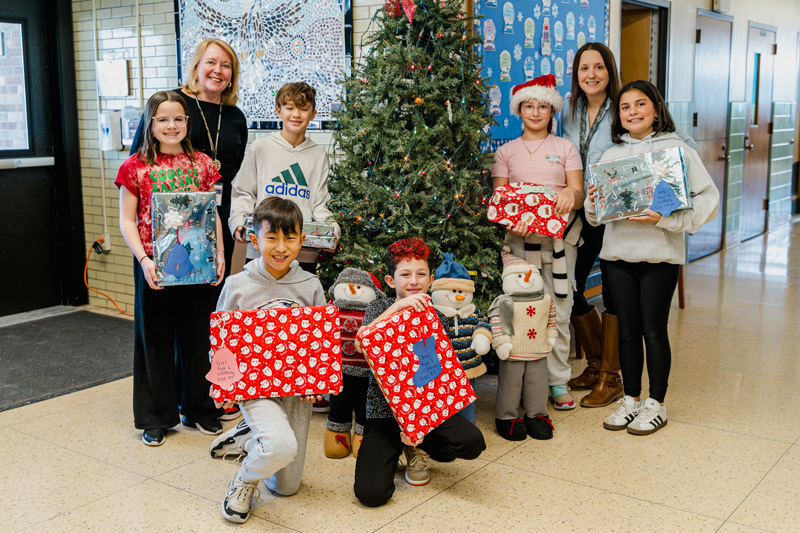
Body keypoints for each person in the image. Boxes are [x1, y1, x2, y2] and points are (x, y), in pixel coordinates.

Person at [561, 42, 698, 408]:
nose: (591, 74)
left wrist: (668, 192)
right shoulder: (570, 111)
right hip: (585, 213)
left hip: (634, 225)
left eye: (599, 67)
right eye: (584, 68)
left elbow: (680, 149)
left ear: (610, 71)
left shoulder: (629, 107)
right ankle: (596, 364)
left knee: (617, 299)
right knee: (570, 286)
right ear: (576, 74)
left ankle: (612, 377)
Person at [584, 80, 719, 436]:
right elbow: (595, 215)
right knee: (626, 331)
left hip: (660, 256)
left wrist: (669, 220)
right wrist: (594, 199)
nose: (632, 112)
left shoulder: (678, 151)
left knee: (653, 330)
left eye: (640, 104)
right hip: (617, 255)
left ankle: (656, 403)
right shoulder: (611, 156)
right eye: (625, 107)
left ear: (656, 109)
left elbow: (708, 197)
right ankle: (630, 398)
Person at [116, 91, 226, 446]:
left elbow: (212, 215)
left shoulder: (204, 164)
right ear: (150, 123)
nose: (171, 125)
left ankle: (201, 410)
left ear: (187, 123)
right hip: (154, 266)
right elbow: (126, 220)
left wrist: (220, 252)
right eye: (163, 119)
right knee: (156, 340)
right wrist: (144, 260)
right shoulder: (135, 167)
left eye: (178, 118)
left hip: (198, 262)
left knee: (199, 339)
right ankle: (157, 416)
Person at [213, 197, 326, 524]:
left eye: (289, 238)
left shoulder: (311, 286)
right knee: (279, 447)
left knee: (287, 487)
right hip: (254, 388)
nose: (281, 247)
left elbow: (318, 343)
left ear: (302, 240)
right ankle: (244, 480)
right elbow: (221, 340)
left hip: (295, 392)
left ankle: (249, 436)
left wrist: (316, 381)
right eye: (271, 237)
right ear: (254, 238)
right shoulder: (237, 286)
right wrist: (225, 386)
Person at [353, 238, 486, 507]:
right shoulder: (378, 308)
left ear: (431, 279)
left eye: (421, 274)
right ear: (391, 281)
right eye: (405, 274)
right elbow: (360, 342)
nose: (413, 280)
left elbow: (439, 371)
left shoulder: (438, 316)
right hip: (384, 413)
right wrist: (396, 308)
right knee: (370, 494)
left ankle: (417, 446)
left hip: (427, 409)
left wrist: (420, 426)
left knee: (473, 442)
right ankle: (399, 447)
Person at [491, 73, 584, 411]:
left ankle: (558, 380)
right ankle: (524, 384)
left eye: (542, 106)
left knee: (559, 311)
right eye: (528, 105)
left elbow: (578, 192)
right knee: (521, 309)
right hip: (518, 242)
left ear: (552, 111)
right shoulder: (506, 152)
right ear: (518, 110)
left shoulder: (565, 148)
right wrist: (509, 219)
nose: (535, 112)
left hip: (559, 242)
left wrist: (568, 196)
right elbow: (499, 197)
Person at [131, 38, 248, 285]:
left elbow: (233, 167)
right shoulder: (171, 104)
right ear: (196, 67)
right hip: (165, 219)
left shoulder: (235, 117)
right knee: (165, 295)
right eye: (211, 62)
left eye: (226, 66)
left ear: (232, 75)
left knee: (208, 294)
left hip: (215, 214)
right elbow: (139, 160)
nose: (218, 70)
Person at [229, 82, 338, 274]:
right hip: (261, 249)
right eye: (289, 108)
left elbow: (320, 203)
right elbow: (243, 192)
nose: (296, 114)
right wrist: (238, 220)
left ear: (313, 114)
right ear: (278, 111)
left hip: (302, 252)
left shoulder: (318, 155)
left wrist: (331, 228)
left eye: (304, 109)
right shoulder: (260, 148)